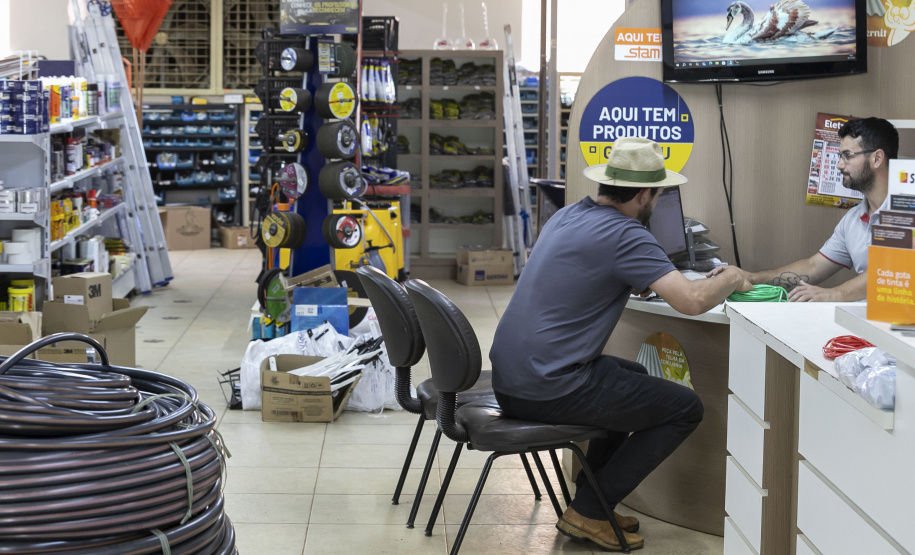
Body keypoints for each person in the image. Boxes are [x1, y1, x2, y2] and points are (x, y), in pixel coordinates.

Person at [489, 137, 752, 552]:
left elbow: (585, 273)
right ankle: (591, 509)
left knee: (631, 376)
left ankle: (591, 499)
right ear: (646, 194)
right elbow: (692, 301)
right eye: (659, 194)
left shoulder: (572, 213)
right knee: (685, 408)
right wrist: (732, 277)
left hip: (514, 375)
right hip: (546, 387)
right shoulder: (626, 234)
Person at [708, 117, 899, 301]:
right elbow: (813, 267)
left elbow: (892, 270)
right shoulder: (853, 219)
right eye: (840, 156)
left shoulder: (907, 212)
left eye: (847, 156)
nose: (840, 165)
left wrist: (833, 294)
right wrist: (750, 277)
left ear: (877, 158)